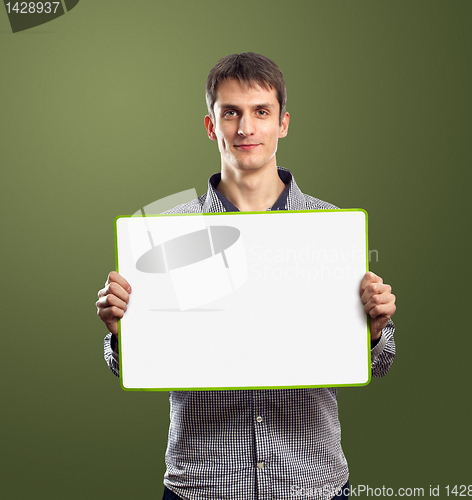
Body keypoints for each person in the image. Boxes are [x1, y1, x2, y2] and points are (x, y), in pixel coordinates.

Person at [96, 53, 396, 500]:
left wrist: (373, 332)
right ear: (210, 125)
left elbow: (380, 364)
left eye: (261, 112)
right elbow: (128, 367)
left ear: (284, 123)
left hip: (309, 481)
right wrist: (123, 333)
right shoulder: (167, 231)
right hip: (202, 483)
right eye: (230, 112)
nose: (245, 128)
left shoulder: (330, 228)